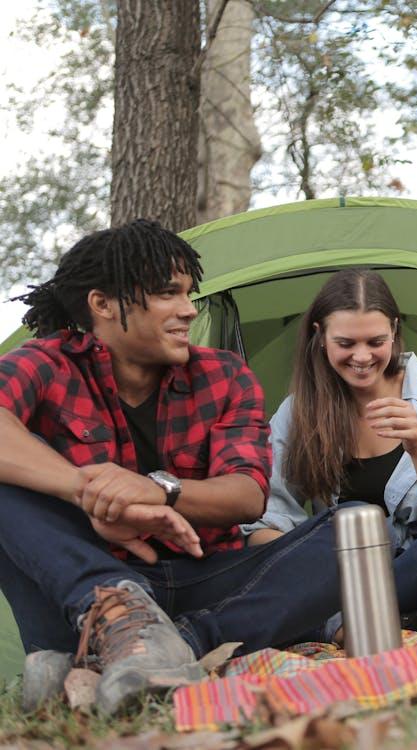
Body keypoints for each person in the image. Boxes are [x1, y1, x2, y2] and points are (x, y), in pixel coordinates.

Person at [0, 220, 350, 715]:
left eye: (189, 293)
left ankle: (173, 645)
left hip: (204, 577)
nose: (189, 309)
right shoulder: (47, 362)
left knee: (355, 531)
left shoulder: (224, 374)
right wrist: (86, 492)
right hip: (86, 596)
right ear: (102, 305)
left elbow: (247, 494)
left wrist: (154, 491)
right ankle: (123, 622)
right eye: (169, 293)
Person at [242, 269, 417, 631]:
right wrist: (318, 558)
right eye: (346, 343)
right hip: (341, 572)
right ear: (320, 336)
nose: (362, 357)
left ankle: (353, 622)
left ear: (394, 331)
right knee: (352, 517)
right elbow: (264, 524)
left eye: (375, 341)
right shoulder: (299, 412)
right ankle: (388, 621)